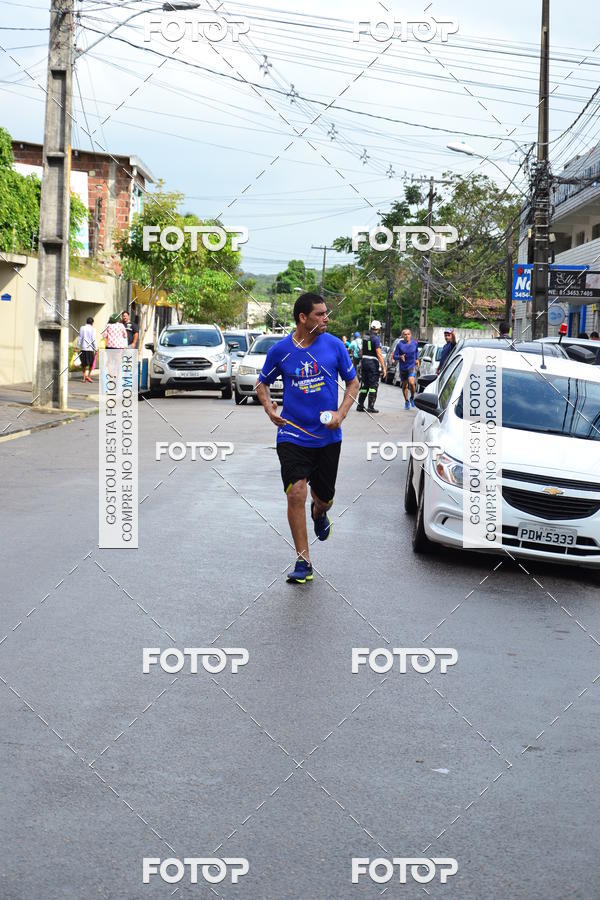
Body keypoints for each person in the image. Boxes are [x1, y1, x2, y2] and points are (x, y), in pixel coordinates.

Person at [256, 293, 359, 585]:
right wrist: (268, 407)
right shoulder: (280, 351)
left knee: (322, 498)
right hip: (292, 434)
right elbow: (262, 383)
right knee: (295, 492)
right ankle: (304, 561)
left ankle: (319, 512)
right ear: (303, 318)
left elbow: (353, 382)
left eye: (326, 313)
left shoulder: (335, 346)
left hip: (328, 437)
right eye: (320, 314)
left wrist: (341, 414)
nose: (326, 319)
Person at [356, 320, 386, 413]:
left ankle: (360, 405)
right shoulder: (376, 338)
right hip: (372, 362)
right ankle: (370, 406)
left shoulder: (365, 336)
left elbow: (361, 350)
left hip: (364, 361)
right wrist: (384, 367)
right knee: (373, 385)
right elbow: (379, 354)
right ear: (378, 328)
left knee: (365, 384)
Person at [393, 327, 419, 409]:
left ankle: (412, 397)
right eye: (405, 334)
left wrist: (417, 359)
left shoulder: (414, 343)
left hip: (411, 366)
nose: (407, 336)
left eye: (408, 334)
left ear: (410, 335)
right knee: (404, 386)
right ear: (402, 336)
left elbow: (416, 352)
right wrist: (400, 357)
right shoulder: (399, 344)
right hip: (403, 367)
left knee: (411, 382)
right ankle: (406, 401)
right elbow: (394, 356)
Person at [77, 316, 97, 383]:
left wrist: (77, 346)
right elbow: (93, 339)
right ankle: (88, 376)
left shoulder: (82, 328)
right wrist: (96, 348)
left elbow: (80, 338)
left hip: (83, 348)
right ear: (92, 323)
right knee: (91, 364)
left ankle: (84, 377)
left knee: (83, 364)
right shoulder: (93, 329)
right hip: (90, 349)